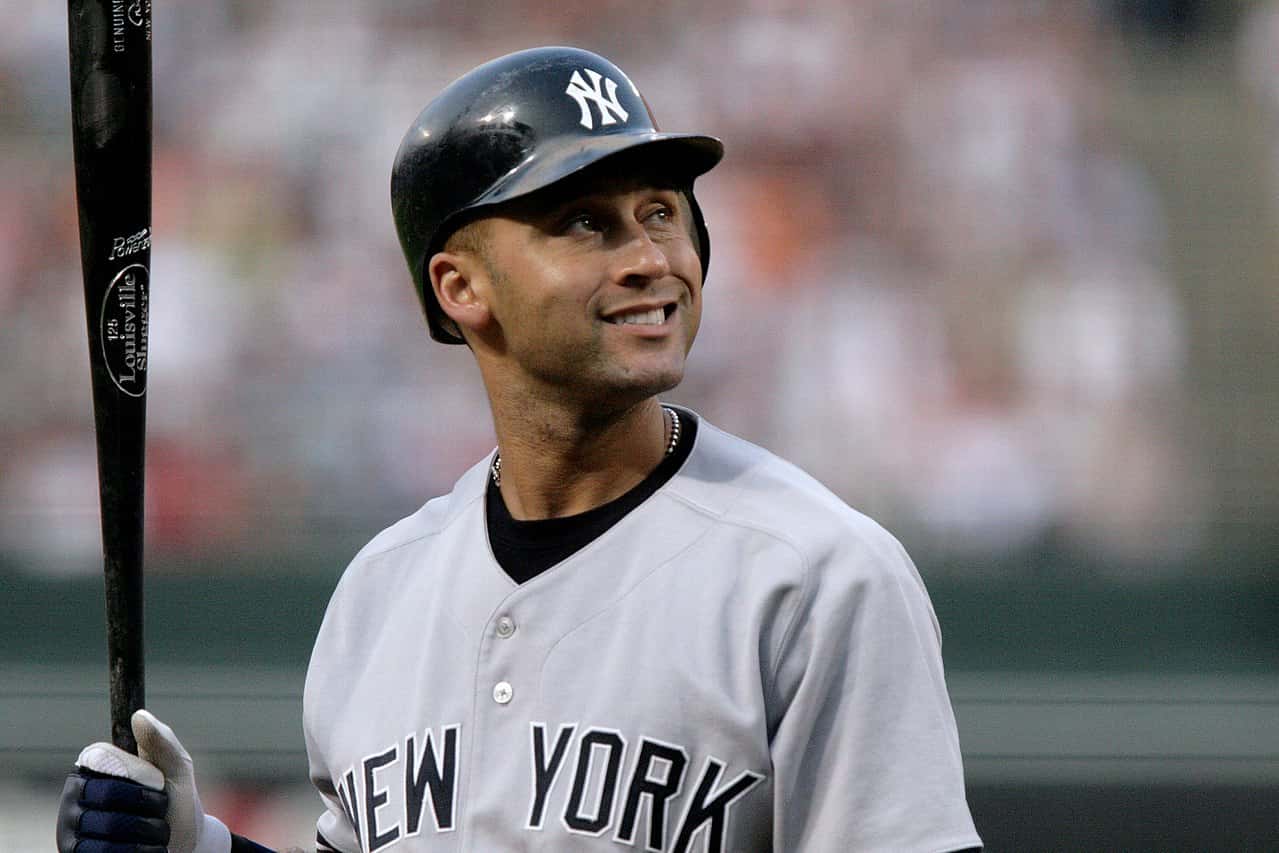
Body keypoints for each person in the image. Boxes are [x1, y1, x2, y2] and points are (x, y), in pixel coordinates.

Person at [56, 46, 982, 853]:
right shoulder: (382, 591)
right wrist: (201, 847)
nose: (649, 257)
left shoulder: (822, 578)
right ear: (461, 285)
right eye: (585, 222)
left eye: (660, 211)